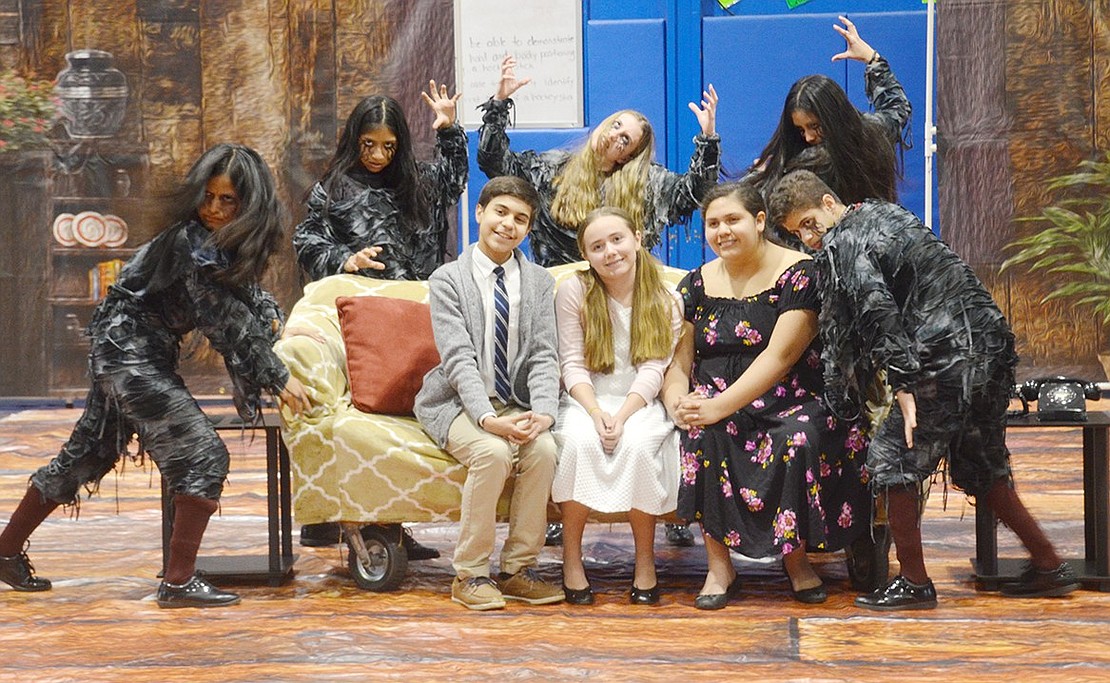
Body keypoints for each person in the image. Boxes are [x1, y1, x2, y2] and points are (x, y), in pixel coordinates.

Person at [0, 144, 309, 608]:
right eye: (208, 197)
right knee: (203, 455)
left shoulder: (222, 244)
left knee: (87, 454)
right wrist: (276, 374)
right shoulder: (190, 243)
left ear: (250, 205)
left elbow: (246, 297)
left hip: (127, 349)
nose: (214, 209)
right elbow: (222, 315)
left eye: (228, 201)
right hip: (129, 352)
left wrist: (277, 325)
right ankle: (179, 581)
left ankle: (3, 552)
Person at [769, 170, 1081, 610]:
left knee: (892, 459)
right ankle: (1050, 564)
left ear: (826, 202)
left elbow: (876, 307)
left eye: (806, 223)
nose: (809, 239)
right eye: (795, 233)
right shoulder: (884, 213)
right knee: (980, 461)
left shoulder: (845, 239)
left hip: (943, 354)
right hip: (988, 344)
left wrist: (902, 384)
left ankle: (914, 581)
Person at [661, 182, 870, 610]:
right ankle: (720, 567)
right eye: (713, 223)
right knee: (703, 434)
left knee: (796, 438)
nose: (723, 231)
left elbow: (782, 356)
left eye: (733, 220)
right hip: (716, 397)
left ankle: (796, 562)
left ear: (759, 222)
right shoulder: (696, 284)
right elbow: (678, 360)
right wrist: (679, 402)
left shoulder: (800, 273)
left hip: (791, 397)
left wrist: (719, 405)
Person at [291, 83, 467, 558]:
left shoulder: (416, 180)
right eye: (368, 144)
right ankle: (334, 518)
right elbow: (305, 242)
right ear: (354, 139)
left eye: (388, 146)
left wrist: (449, 129)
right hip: (359, 316)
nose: (377, 155)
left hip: (410, 311)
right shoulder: (335, 187)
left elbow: (453, 180)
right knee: (361, 416)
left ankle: (386, 519)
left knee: (401, 418)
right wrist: (345, 259)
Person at [414, 175, 565, 611]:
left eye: (521, 219)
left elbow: (543, 354)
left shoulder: (538, 281)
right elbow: (458, 357)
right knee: (494, 453)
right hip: (459, 402)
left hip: (515, 401)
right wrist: (485, 419)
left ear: (529, 228)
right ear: (479, 213)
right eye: (500, 212)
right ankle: (471, 574)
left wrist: (543, 412)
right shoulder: (447, 279)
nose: (508, 224)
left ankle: (518, 569)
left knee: (543, 449)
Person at [552, 207, 684, 606]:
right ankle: (571, 560)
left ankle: (645, 561)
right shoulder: (574, 290)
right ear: (585, 255)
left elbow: (654, 368)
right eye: (597, 246)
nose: (609, 252)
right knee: (577, 444)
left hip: (639, 400)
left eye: (617, 240)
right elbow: (571, 363)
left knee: (642, 446)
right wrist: (595, 414)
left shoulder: (666, 298)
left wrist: (623, 416)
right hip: (584, 397)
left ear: (638, 238)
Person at [476, 54, 721, 268]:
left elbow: (697, 193)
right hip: (557, 289)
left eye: (624, 140)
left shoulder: (648, 184)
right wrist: (498, 105)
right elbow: (495, 164)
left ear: (626, 157)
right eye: (616, 125)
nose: (613, 135)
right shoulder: (551, 169)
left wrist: (708, 139)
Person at [746, 16, 911, 211]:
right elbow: (897, 107)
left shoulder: (803, 166)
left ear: (834, 119)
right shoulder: (873, 132)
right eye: (800, 130)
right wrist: (872, 59)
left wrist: (766, 175)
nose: (808, 137)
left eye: (815, 126)